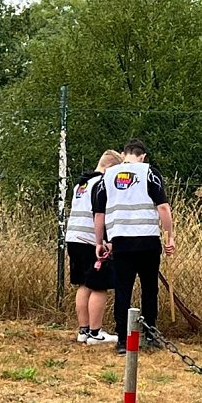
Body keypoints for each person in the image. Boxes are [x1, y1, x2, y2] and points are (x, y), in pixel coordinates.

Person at [92, 139, 176, 355]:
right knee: (149, 289)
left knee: (123, 290)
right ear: (143, 156)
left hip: (121, 242)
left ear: (124, 154)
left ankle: (122, 339)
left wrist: (99, 242)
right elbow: (164, 208)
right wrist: (169, 237)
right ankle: (150, 334)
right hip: (147, 241)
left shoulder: (108, 176)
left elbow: (99, 214)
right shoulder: (149, 173)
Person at [65, 149, 123, 345]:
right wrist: (105, 240)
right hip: (92, 241)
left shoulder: (81, 184)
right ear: (111, 168)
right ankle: (96, 332)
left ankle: (83, 330)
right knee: (99, 286)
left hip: (74, 238)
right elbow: (101, 215)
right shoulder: (102, 184)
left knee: (83, 284)